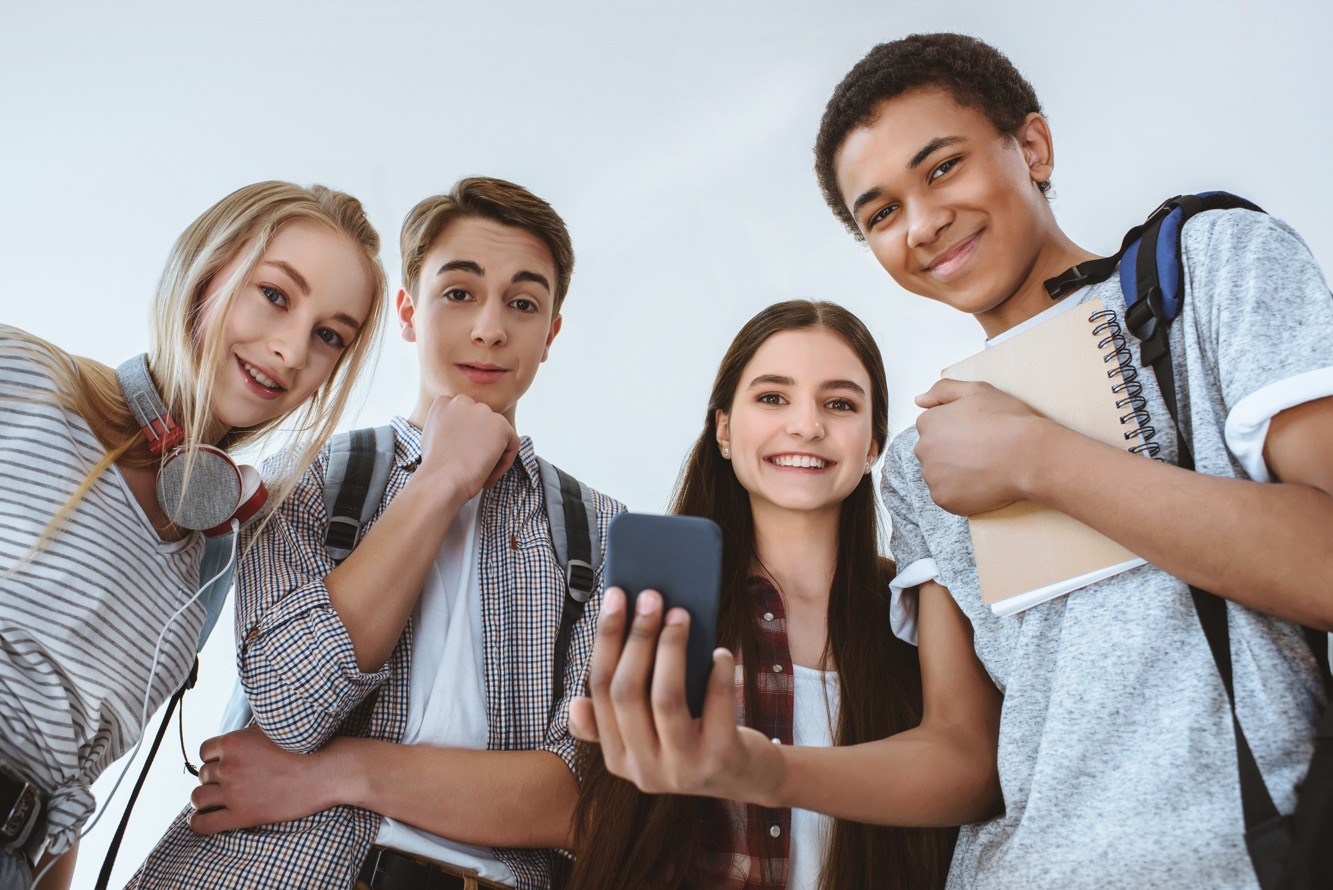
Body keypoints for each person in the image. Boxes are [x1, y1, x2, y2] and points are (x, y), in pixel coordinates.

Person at [575, 32, 1333, 890]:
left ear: (1032, 147)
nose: (922, 224)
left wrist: (1038, 460)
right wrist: (760, 769)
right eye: (881, 214)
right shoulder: (922, 461)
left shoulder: (1208, 268)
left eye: (941, 168)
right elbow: (964, 757)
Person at [130, 176, 625, 890]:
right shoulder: (305, 480)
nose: (490, 328)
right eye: (459, 293)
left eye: (522, 303)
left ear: (550, 334)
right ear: (408, 312)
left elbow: (585, 805)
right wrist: (440, 479)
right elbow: (291, 706)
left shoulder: (606, 536)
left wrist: (339, 773)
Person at [0, 180, 386, 890]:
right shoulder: (20, 378)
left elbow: (67, 795)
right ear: (208, 269)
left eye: (329, 335)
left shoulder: (212, 555)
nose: (290, 350)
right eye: (275, 294)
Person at [567, 300, 960, 890]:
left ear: (874, 444)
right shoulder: (662, 611)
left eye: (840, 404)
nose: (806, 426)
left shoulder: (922, 612)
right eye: (773, 397)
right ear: (724, 430)